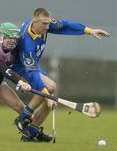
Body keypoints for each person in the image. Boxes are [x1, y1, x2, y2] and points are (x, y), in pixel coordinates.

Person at [12, 7, 110, 142]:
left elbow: (64, 25)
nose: (48, 27)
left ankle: (31, 132)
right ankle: (22, 118)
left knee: (50, 96)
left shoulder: (44, 25)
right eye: (44, 24)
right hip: (20, 68)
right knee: (50, 89)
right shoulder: (26, 42)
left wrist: (89, 31)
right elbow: (32, 73)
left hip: (33, 66)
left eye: (48, 23)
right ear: (34, 22)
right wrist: (46, 95)